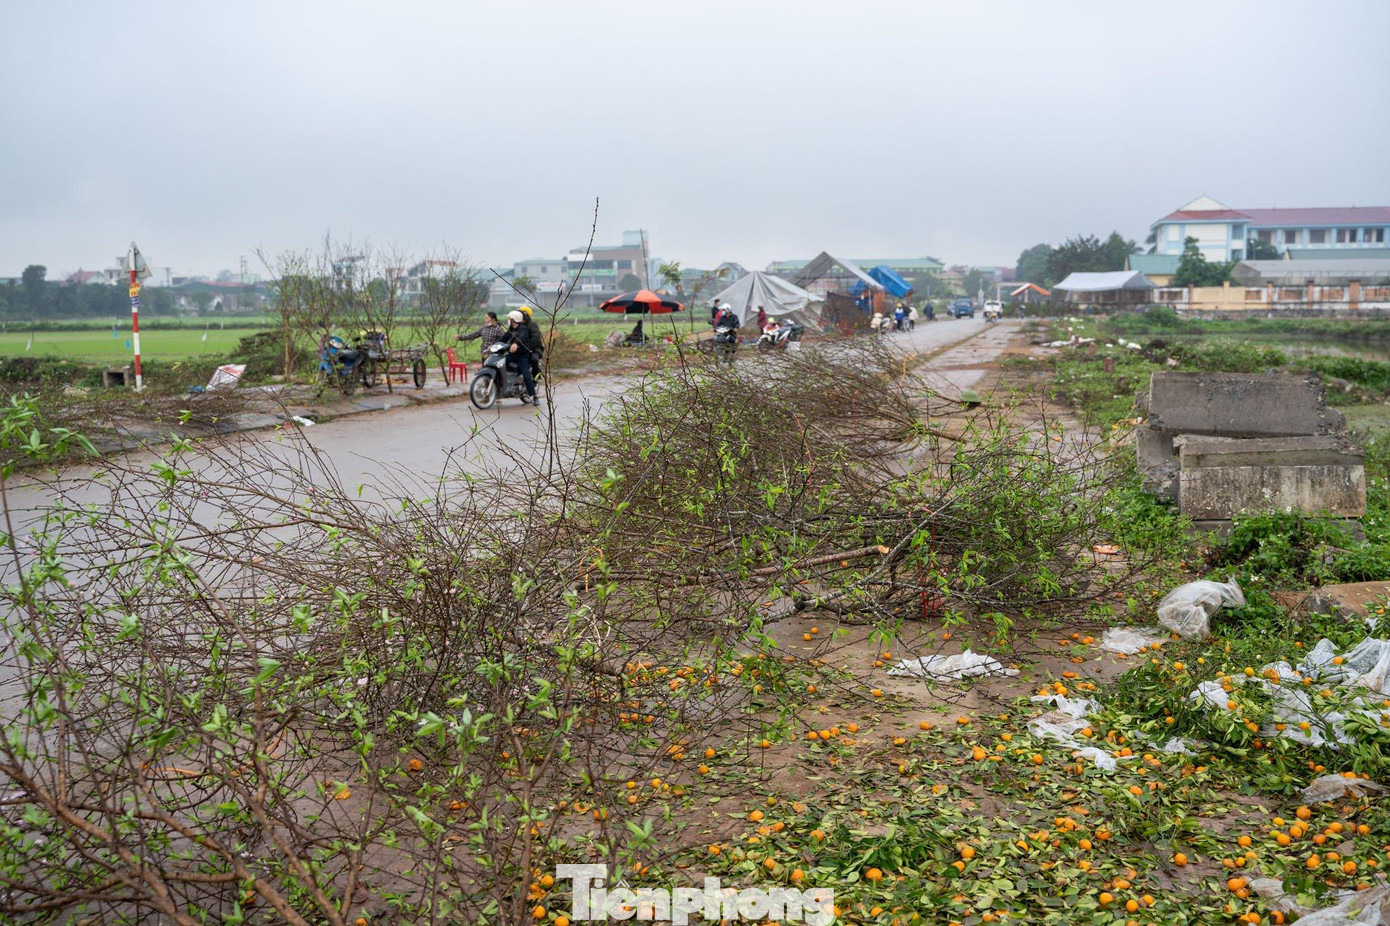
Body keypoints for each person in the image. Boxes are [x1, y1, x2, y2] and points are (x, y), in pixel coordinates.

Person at [504, 310, 540, 406]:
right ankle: (508, 385)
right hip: (512, 354)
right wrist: (494, 345)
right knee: (503, 364)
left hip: (522, 356)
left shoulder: (523, 329)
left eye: (510, 319)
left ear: (514, 320)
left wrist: (516, 343)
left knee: (526, 375)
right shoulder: (511, 328)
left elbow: (522, 337)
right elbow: (504, 337)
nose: (508, 320)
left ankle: (534, 396)